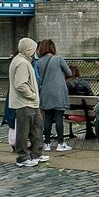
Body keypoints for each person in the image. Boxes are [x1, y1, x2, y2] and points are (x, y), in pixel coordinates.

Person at [10, 37, 48, 168]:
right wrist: (32, 95)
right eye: (33, 49)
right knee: (24, 131)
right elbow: (20, 84)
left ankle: (36, 153)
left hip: (31, 103)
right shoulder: (22, 63)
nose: (35, 52)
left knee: (37, 127)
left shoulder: (24, 61)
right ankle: (22, 157)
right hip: (25, 103)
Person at [35, 38, 73, 152]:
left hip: (45, 93)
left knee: (47, 118)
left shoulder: (39, 62)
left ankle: (47, 143)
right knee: (59, 118)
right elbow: (69, 73)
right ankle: (60, 143)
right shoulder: (59, 59)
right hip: (58, 92)